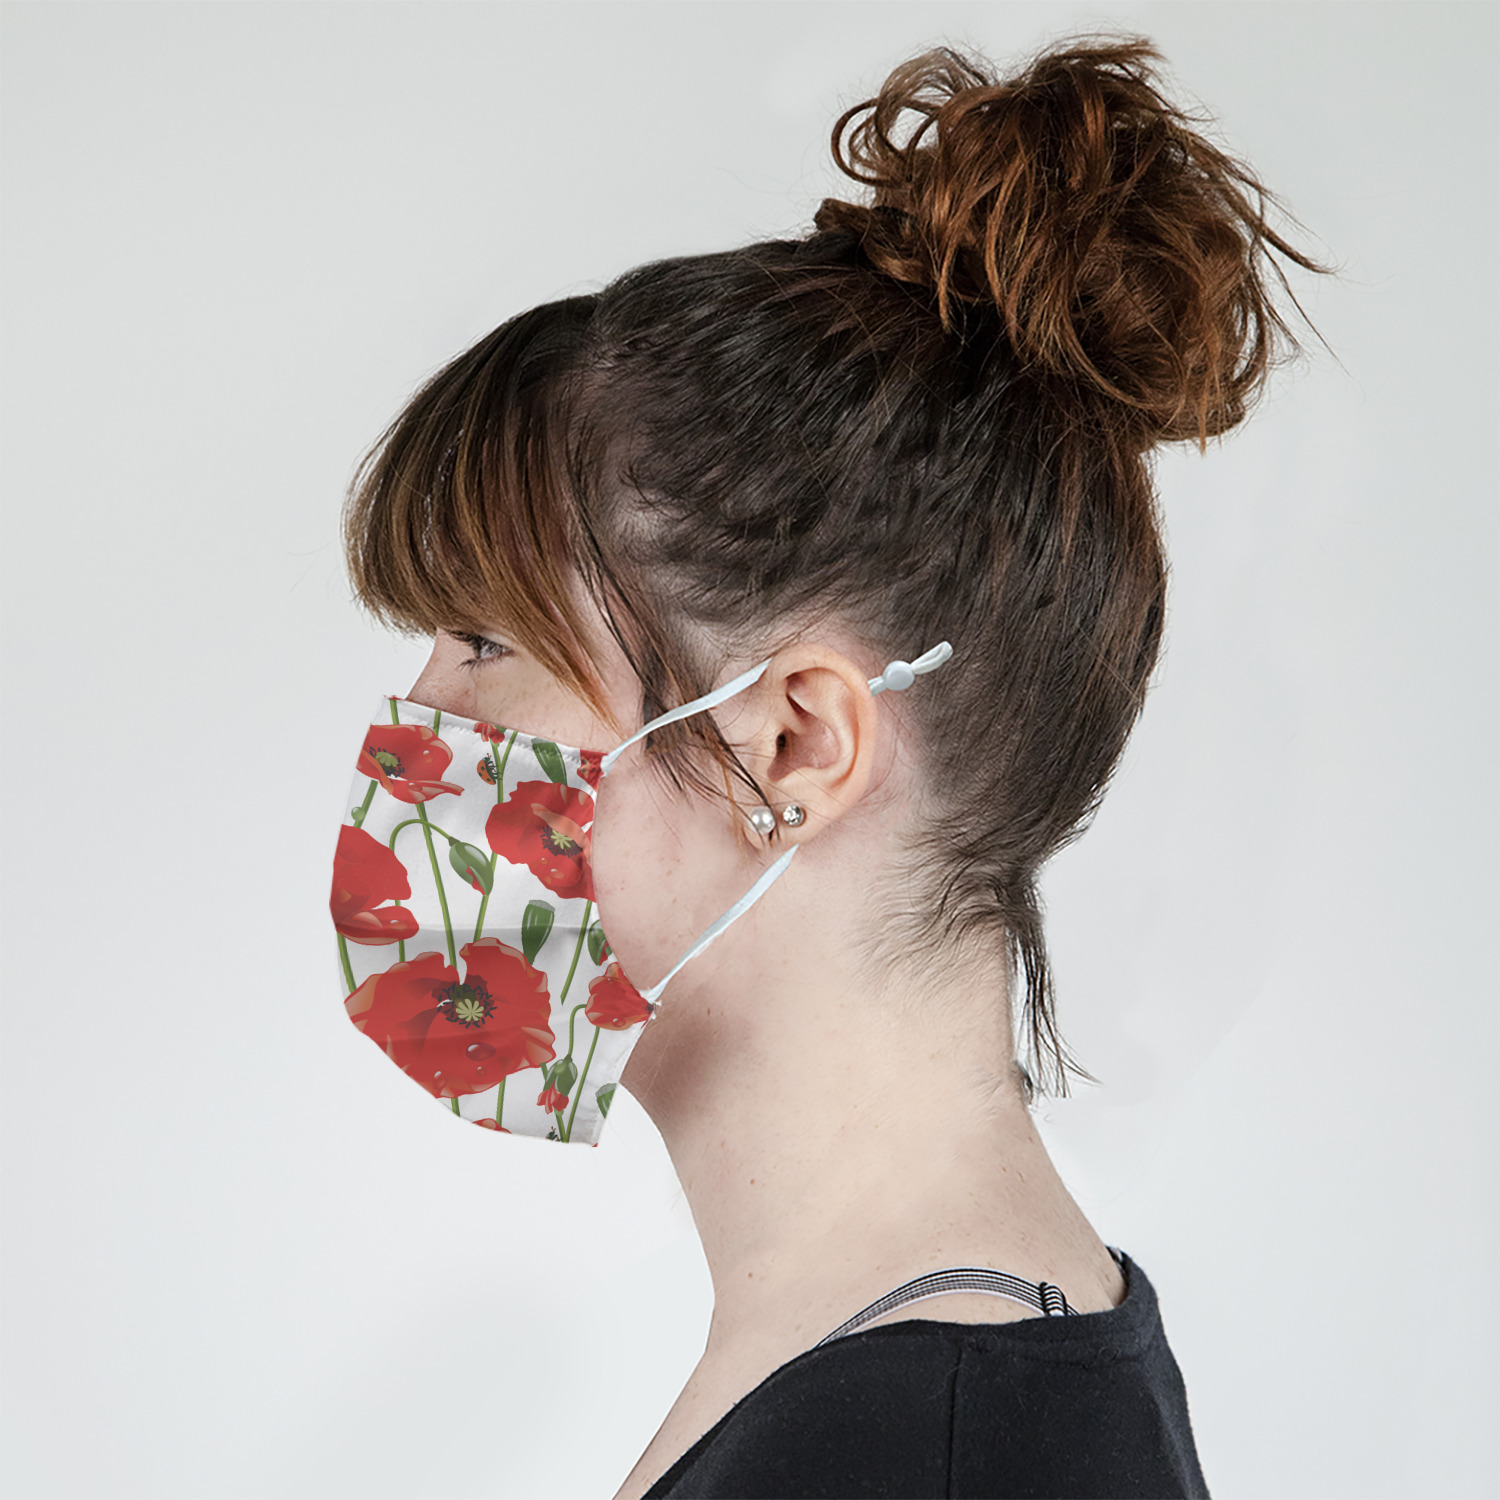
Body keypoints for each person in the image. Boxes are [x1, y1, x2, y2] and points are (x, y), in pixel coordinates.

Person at [335, 34, 1323, 1500]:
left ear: (795, 743)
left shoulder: (930, 1448)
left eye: (485, 642)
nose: (416, 718)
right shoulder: (929, 1382)